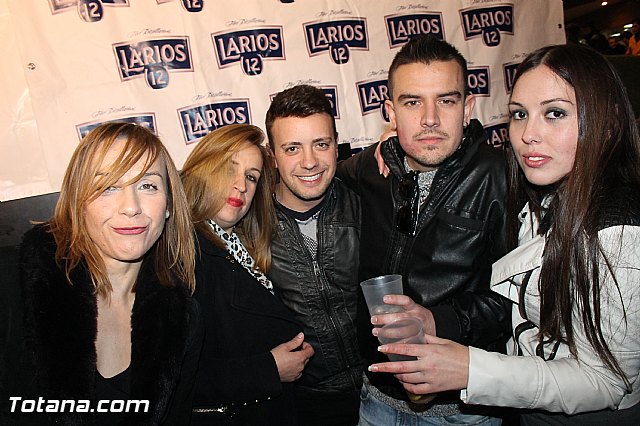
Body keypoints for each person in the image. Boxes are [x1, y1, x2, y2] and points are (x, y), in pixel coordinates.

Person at [370, 44, 640, 425]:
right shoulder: (540, 193)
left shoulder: (617, 227)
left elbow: (608, 381)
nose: (529, 134)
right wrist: (391, 144)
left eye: (555, 113)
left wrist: (470, 368)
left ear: (606, 121)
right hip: (522, 407)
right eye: (519, 114)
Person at [336, 35, 510, 425]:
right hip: (376, 398)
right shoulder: (370, 168)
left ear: (467, 109)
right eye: (412, 102)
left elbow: (520, 303)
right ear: (391, 112)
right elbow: (315, 176)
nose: (430, 118)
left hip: (465, 411)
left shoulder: (500, 177)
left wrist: (438, 320)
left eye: (445, 101)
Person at [8, 122, 203, 424]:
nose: (131, 207)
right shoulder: (14, 285)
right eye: (108, 187)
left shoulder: (183, 318)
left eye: (147, 185)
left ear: (168, 205)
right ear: (79, 202)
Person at [180, 124, 314, 425]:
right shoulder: (183, 253)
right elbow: (174, 378)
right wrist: (269, 370)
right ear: (203, 171)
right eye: (230, 169)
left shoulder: (240, 246)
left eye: (251, 177)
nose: (241, 185)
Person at [265, 84, 364, 425]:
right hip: (309, 403)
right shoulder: (252, 226)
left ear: (336, 145)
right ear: (272, 155)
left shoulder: (368, 200)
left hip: (385, 388)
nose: (309, 162)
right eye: (292, 148)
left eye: (321, 144)